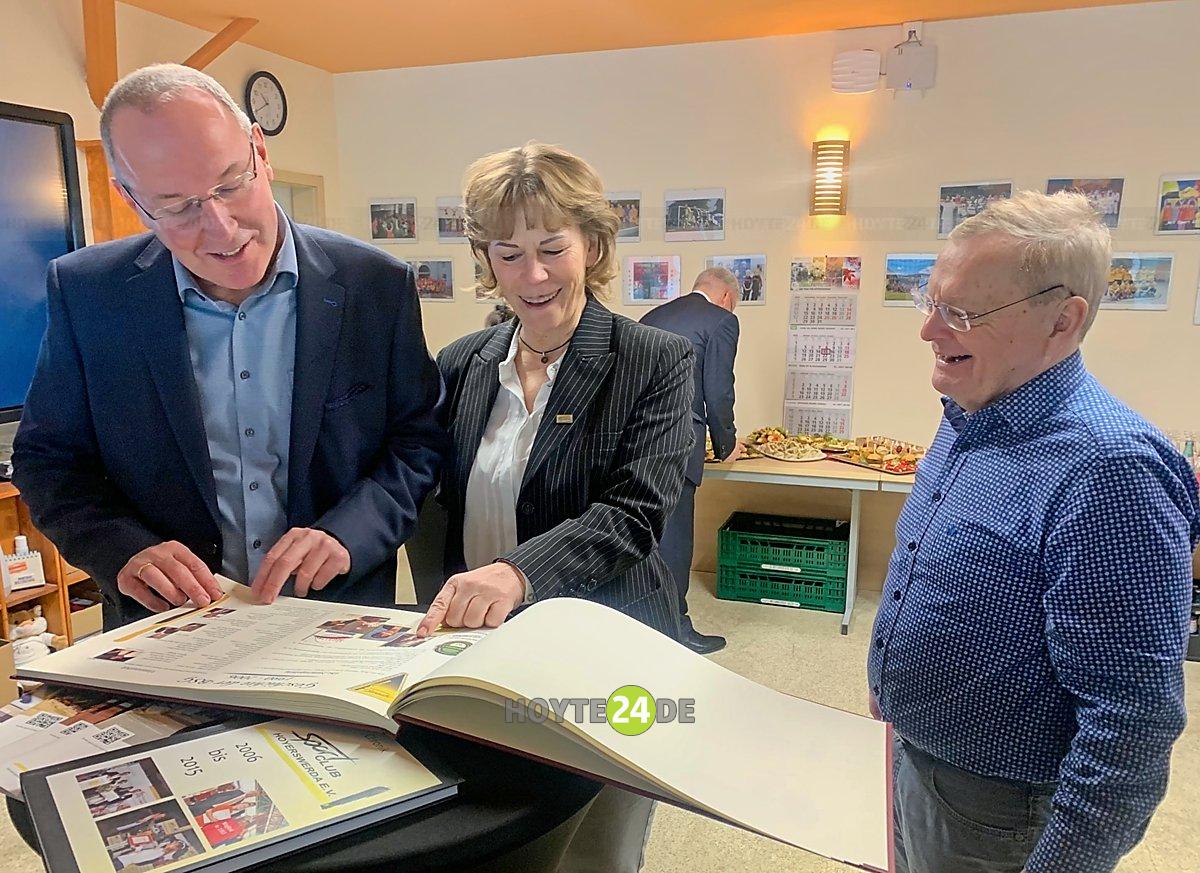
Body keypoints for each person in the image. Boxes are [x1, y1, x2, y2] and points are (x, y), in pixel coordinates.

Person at [13, 64, 446, 627]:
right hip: (165, 629)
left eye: (231, 184)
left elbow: (418, 444)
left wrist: (348, 533)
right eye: (178, 206)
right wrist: (121, 552)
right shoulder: (87, 293)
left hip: (336, 619)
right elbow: (48, 461)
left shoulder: (374, 284)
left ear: (259, 153)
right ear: (131, 199)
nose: (220, 228)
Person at [869, 190, 1200, 873]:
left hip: (996, 812)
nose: (929, 331)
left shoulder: (1111, 470)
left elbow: (1131, 723)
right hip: (911, 752)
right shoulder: (973, 404)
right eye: (928, 301)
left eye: (960, 313)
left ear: (1063, 320)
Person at [420, 142, 694, 873]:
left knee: (596, 853)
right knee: (493, 841)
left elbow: (634, 513)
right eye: (508, 254)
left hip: (608, 652)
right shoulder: (463, 362)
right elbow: (424, 490)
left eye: (552, 248)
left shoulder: (655, 361)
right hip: (483, 655)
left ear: (594, 244)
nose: (532, 276)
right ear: (486, 258)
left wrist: (515, 572)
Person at [639, 267, 742, 654]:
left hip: (638, 441)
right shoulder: (721, 321)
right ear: (728, 298)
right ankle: (676, 628)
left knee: (647, 536)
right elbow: (717, 391)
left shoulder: (653, 316)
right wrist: (726, 443)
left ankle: (642, 619)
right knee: (677, 541)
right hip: (680, 442)